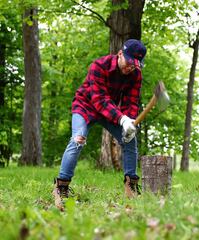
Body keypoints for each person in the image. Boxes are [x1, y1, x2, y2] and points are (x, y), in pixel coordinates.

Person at [52, 39, 147, 210]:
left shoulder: (135, 75)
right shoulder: (99, 66)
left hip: (109, 112)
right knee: (78, 139)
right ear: (120, 54)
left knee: (130, 140)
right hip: (86, 106)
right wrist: (122, 119)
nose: (130, 68)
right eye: (129, 63)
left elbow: (131, 101)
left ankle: (131, 186)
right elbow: (99, 100)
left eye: (135, 65)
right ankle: (61, 187)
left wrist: (130, 121)